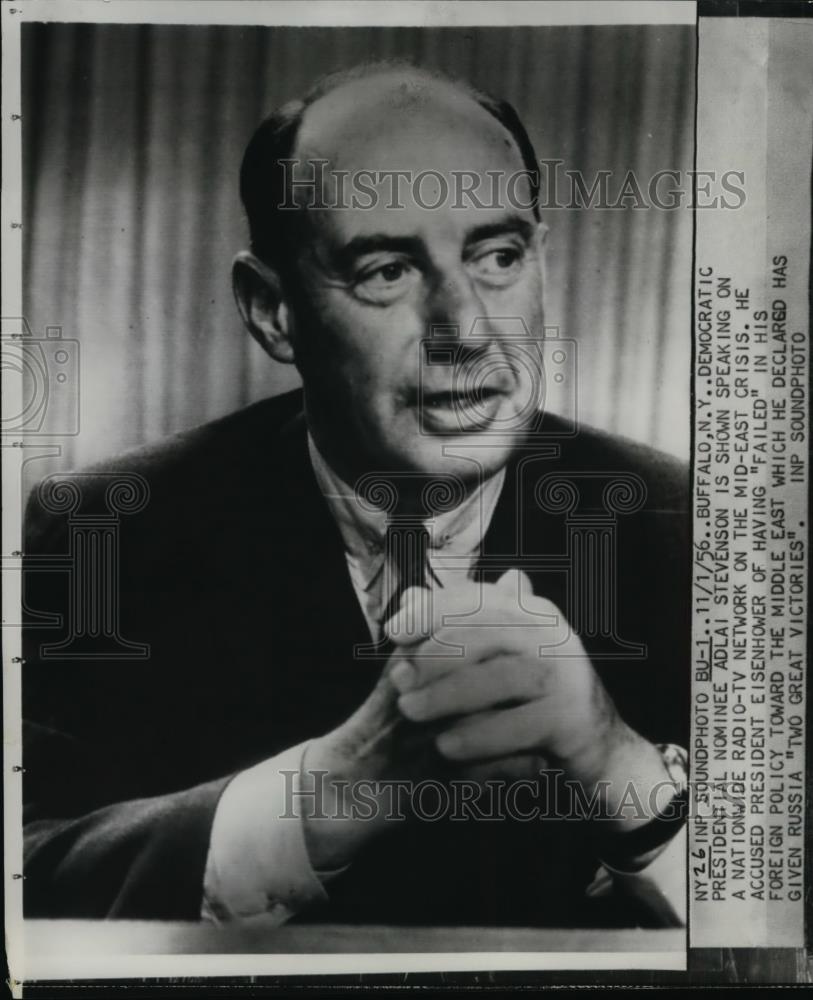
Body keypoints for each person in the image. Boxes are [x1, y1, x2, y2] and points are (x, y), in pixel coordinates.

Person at [22, 62, 690, 928]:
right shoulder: (102, 531)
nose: (466, 330)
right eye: (385, 271)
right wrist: (330, 793)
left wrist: (618, 771)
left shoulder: (696, 533)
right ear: (271, 310)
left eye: (497, 256)